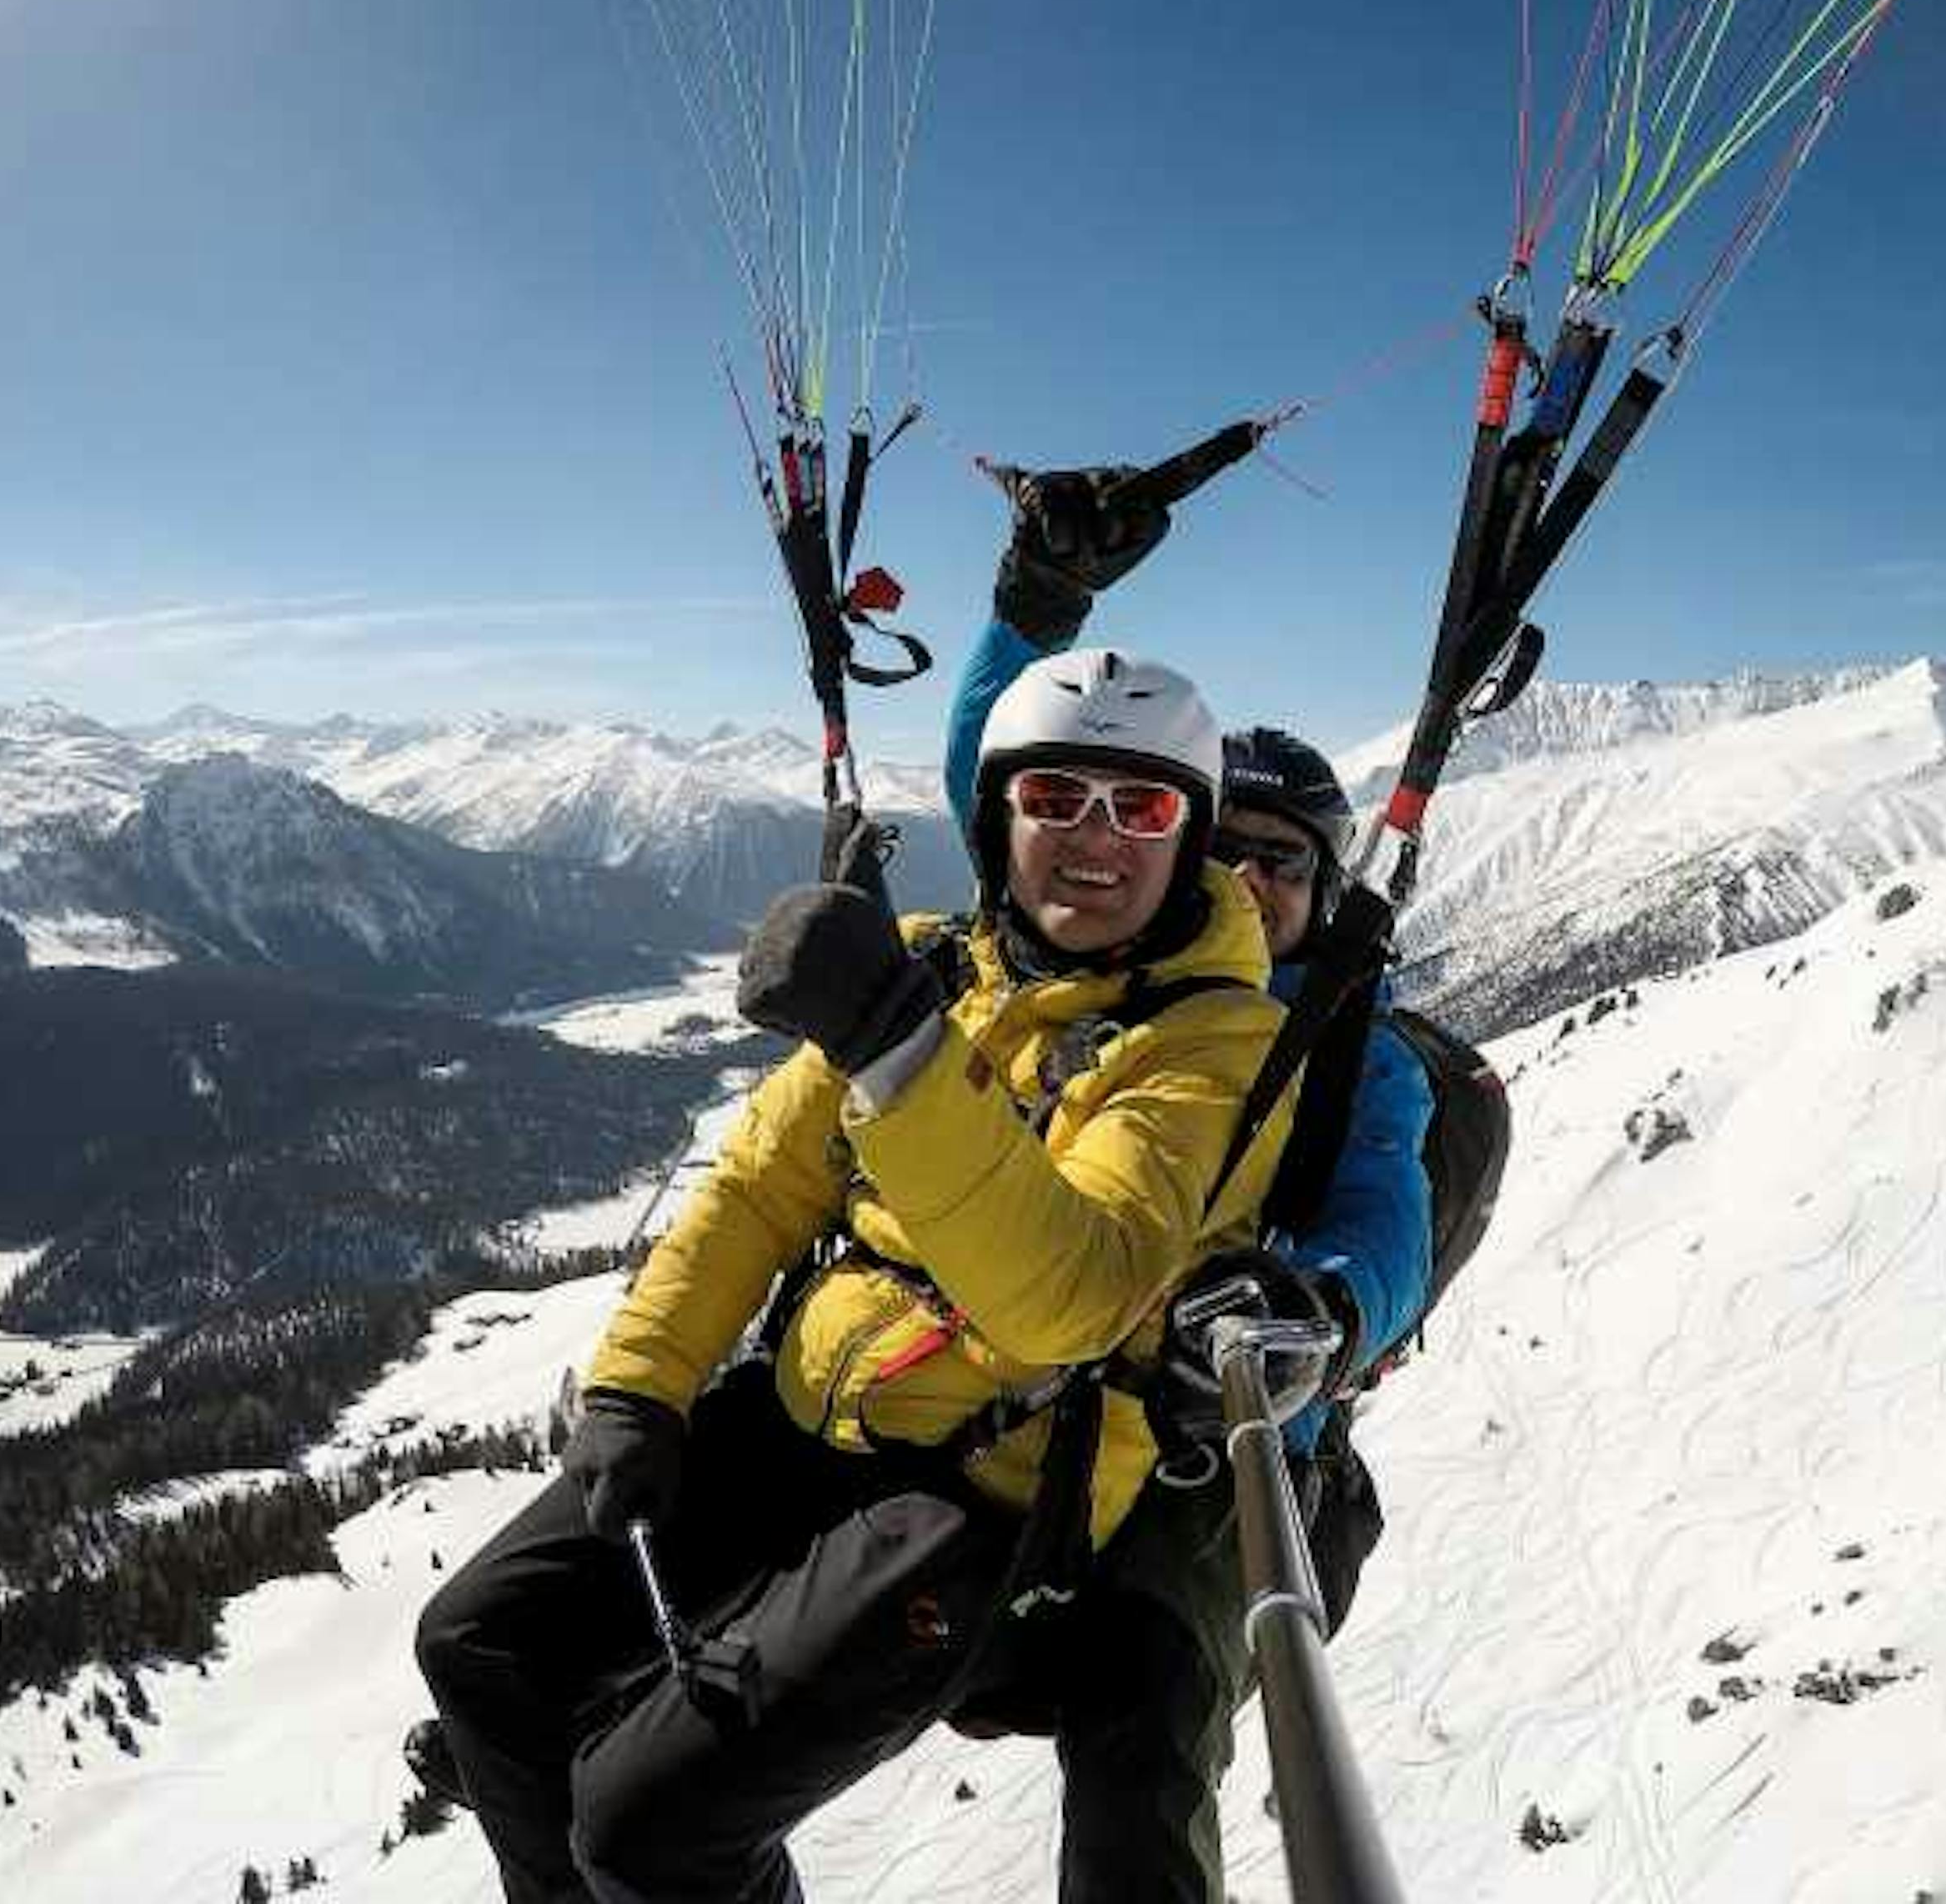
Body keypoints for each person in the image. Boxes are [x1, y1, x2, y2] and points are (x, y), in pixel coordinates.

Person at [412, 644, 1294, 1904]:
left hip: (981, 1486)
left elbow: (1076, 1301)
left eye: (1140, 806)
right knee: (481, 1646)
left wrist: (898, 1047)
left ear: (1189, 834)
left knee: (651, 1830)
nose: (1095, 836)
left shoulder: (1212, 1042)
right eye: (1055, 799)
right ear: (998, 820)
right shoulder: (939, 962)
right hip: (804, 1413)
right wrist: (640, 1386)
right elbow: (766, 1183)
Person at [944, 460, 1437, 1904]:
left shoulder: (1355, 1056)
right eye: (1221, 848)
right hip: (1040, 1393)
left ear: (1328, 886)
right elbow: (1000, 772)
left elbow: (1385, 1226)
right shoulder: (1114, 981)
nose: (1249, 881)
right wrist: (1035, 608)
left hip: (1216, 1449)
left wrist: (1314, 1308)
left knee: (1145, 1738)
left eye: (1283, 861)